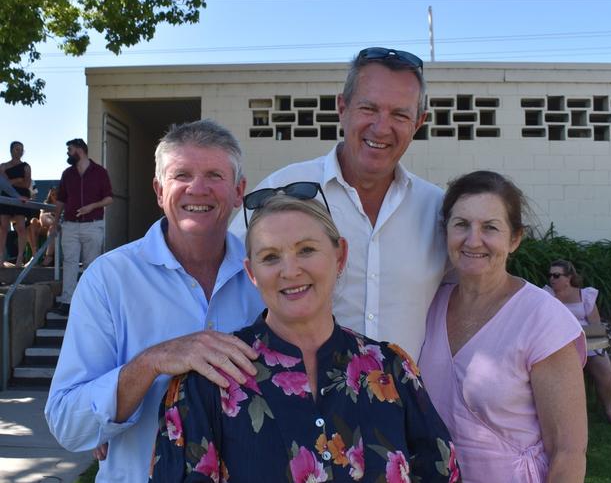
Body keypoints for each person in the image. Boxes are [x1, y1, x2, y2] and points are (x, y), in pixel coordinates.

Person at [151, 193, 459, 483]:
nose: (290, 270)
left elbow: (441, 473)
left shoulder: (392, 371)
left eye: (307, 250)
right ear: (251, 273)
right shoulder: (209, 380)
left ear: (340, 257)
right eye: (271, 257)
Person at [45, 120, 266, 482]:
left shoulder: (268, 278)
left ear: (239, 191)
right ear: (159, 190)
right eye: (182, 174)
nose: (198, 188)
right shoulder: (108, 280)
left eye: (214, 174)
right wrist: (150, 363)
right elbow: (69, 426)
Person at [231, 47, 446, 359]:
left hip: (404, 403)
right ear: (342, 107)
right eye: (368, 109)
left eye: (400, 114)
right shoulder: (280, 192)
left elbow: (472, 297)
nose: (382, 127)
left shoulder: (437, 210)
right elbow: (227, 278)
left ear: (419, 122)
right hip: (297, 399)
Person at [419, 170, 588, 483]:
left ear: (515, 238)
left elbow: (567, 451)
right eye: (461, 225)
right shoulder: (429, 305)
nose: (473, 240)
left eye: (490, 227)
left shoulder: (542, 320)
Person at [545, 259, 611, 428]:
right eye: (550, 275)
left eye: (557, 275)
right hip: (559, 342)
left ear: (569, 278)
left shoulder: (585, 295)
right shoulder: (547, 296)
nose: (552, 278)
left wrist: (599, 349)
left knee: (604, 367)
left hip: (587, 340)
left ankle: (609, 410)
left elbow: (595, 325)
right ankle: (561, 413)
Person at [51, 138, 113, 315]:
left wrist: (92, 206)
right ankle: (67, 301)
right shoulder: (67, 174)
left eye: (69, 149)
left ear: (80, 149)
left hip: (93, 225)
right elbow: (61, 200)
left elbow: (109, 198)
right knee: (69, 262)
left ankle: (89, 303)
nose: (68, 153)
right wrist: (55, 223)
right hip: (70, 225)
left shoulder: (100, 172)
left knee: (91, 265)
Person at [0, 141, 32, 267]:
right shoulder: (3, 166)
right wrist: (18, 179)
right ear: (12, 150)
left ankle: (20, 258)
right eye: (17, 149)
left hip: (21, 198)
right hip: (6, 198)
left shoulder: (26, 166)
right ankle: (1, 257)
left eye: (21, 149)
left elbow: (26, 184)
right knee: (3, 228)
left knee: (20, 228)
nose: (19, 151)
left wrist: (12, 181)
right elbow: (3, 183)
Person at [26, 187, 58, 266]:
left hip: (53, 226)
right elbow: (41, 218)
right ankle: (34, 253)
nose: (54, 196)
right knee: (33, 222)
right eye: (52, 194)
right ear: (50, 196)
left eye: (56, 194)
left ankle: (43, 256)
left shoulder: (62, 205)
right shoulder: (46, 204)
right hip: (44, 226)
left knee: (51, 225)